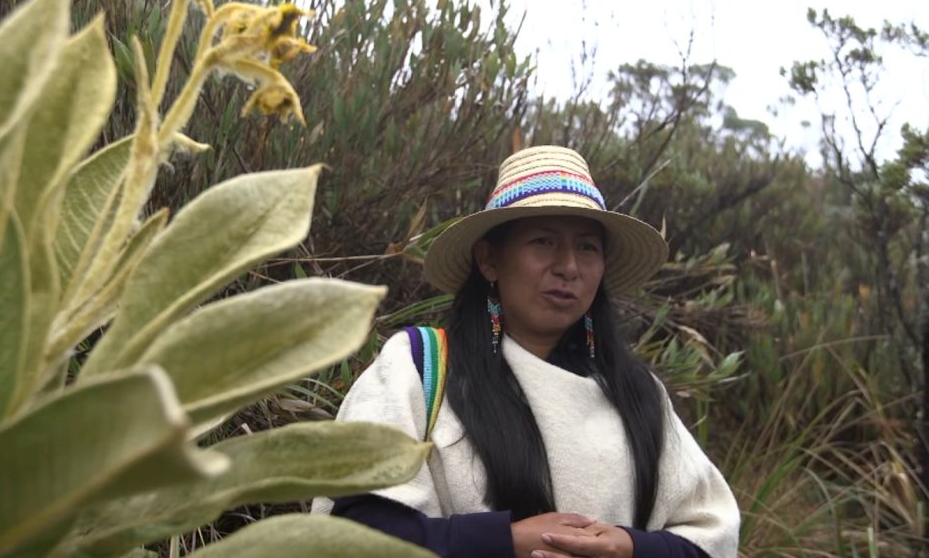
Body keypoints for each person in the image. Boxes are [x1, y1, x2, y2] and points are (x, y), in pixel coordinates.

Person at [311, 146, 740, 558]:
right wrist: (504, 541)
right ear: (489, 260)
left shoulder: (636, 393)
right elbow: (355, 535)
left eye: (587, 247)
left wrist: (628, 547)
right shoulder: (419, 368)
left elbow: (710, 538)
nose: (568, 267)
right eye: (543, 241)